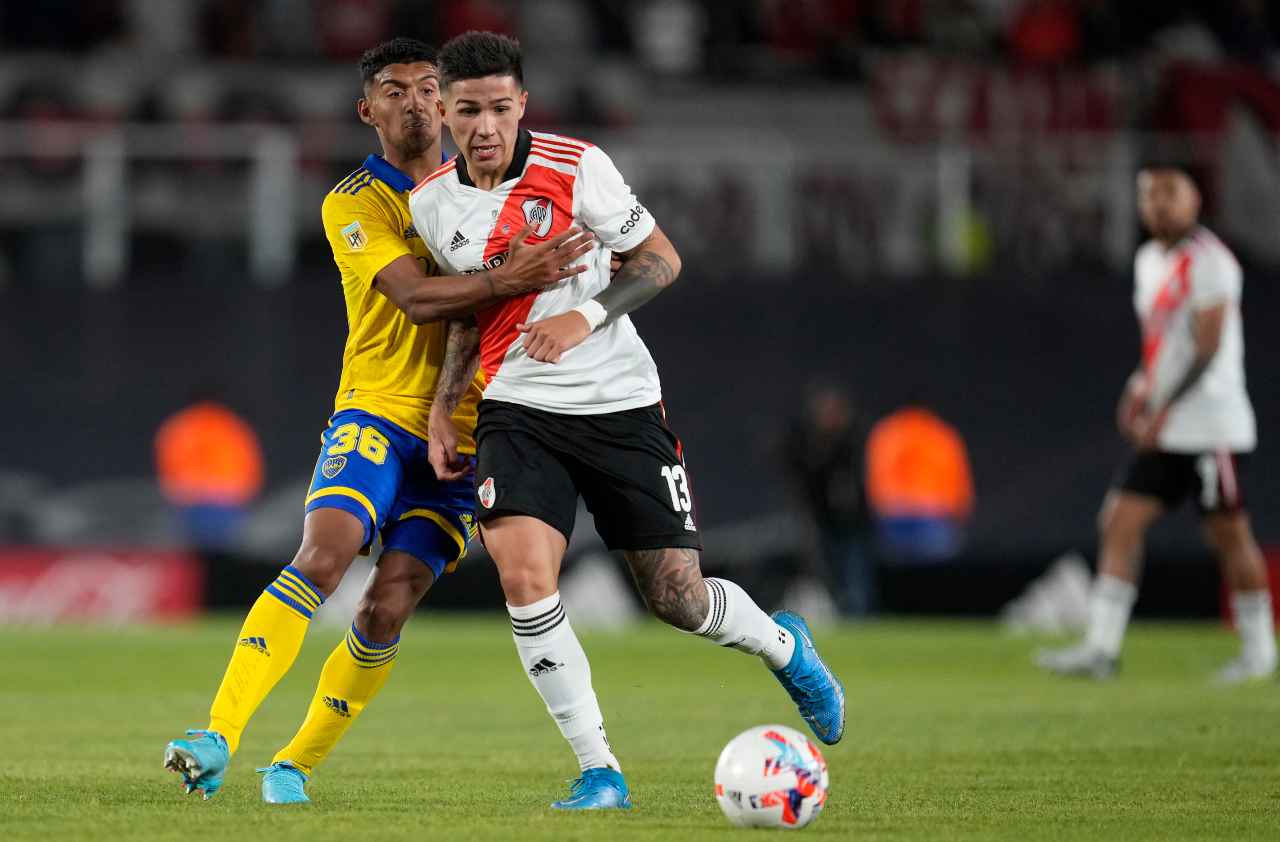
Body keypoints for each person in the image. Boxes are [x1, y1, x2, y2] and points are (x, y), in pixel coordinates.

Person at [411, 31, 845, 811]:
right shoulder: (433, 203)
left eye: (500, 108)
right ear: (443, 112)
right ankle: (599, 770)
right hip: (517, 409)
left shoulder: (579, 167)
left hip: (620, 405)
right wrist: (446, 406)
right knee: (524, 578)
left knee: (677, 598)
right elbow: (471, 314)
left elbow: (661, 259)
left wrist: (582, 316)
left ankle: (783, 644)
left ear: (522, 105)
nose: (485, 126)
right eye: (468, 110)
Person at [163, 38, 597, 804]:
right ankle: (217, 734)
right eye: (395, 91)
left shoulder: (497, 192)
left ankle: (292, 765)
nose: (415, 103)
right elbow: (415, 297)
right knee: (323, 555)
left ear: (449, 104)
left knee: (386, 606)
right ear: (368, 110)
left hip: (468, 435)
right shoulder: (355, 201)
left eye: (429, 88)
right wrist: (511, 275)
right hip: (377, 410)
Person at [1037, 164, 1272, 683]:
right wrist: (1139, 388)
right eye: (1150, 195)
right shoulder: (1149, 261)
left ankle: (1260, 652)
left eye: (1171, 194)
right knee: (1119, 521)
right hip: (1166, 427)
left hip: (1211, 426)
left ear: (1195, 200)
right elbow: (1162, 344)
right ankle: (1101, 649)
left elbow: (1207, 348)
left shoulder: (1211, 262)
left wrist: (1162, 406)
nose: (1160, 204)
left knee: (1228, 536)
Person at [781, 386, 875, 616]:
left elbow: (858, 482)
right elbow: (800, 476)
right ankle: (840, 611)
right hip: (824, 519)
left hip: (853, 522)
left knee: (854, 569)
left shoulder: (852, 441)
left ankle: (858, 613)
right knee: (829, 569)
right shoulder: (809, 444)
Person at [154, 394, 265, 551]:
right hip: (221, 501)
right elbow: (248, 463)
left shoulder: (181, 427)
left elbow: (169, 463)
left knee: (193, 554)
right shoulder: (231, 426)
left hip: (197, 501)